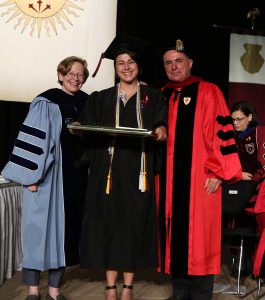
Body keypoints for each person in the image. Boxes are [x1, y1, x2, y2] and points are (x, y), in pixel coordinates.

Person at [71, 34, 168, 300]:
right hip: (107, 173)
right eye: (120, 63)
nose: (126, 67)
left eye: (130, 62)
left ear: (138, 66)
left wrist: (161, 131)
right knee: (108, 226)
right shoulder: (100, 98)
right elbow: (86, 128)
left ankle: (128, 287)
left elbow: (162, 125)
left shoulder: (153, 97)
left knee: (132, 226)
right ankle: (110, 286)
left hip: (138, 172)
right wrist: (78, 130)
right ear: (115, 68)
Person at [159, 38, 242, 300]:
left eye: (179, 61)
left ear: (190, 63)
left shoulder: (208, 91)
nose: (174, 67)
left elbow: (223, 136)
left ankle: (201, 296)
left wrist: (218, 172)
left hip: (201, 180)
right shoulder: (162, 95)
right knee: (174, 238)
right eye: (168, 63)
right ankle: (179, 293)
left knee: (200, 240)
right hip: (170, 182)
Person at [1, 56, 90, 300]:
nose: (75, 78)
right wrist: (30, 177)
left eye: (80, 74)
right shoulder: (46, 101)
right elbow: (33, 141)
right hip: (45, 178)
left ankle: (54, 290)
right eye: (70, 73)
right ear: (60, 75)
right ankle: (32, 290)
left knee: (63, 235)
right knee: (37, 232)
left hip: (74, 178)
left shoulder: (87, 102)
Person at [230, 100, 265, 279]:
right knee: (236, 224)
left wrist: (255, 180)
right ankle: (239, 262)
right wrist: (237, 174)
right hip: (236, 186)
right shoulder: (229, 136)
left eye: (239, 119)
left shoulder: (260, 133)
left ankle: (255, 265)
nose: (235, 123)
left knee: (256, 228)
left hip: (257, 187)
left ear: (250, 117)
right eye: (233, 119)